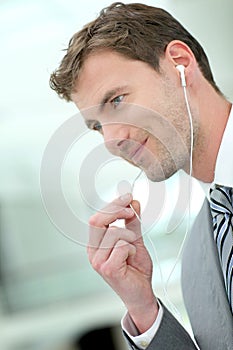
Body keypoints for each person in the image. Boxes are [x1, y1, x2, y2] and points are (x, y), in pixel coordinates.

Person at [49, 2, 233, 349]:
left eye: (117, 100)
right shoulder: (197, 255)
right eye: (96, 126)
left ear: (180, 64)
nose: (110, 139)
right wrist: (144, 309)